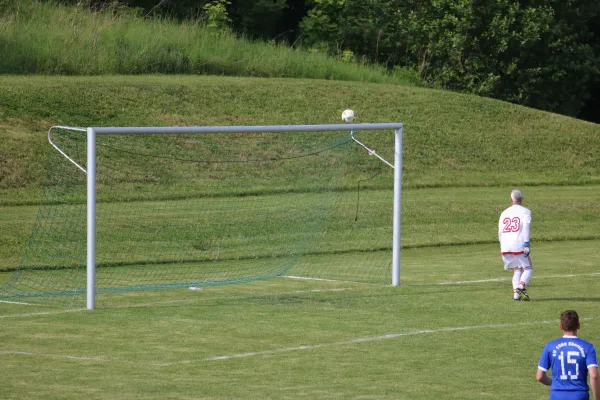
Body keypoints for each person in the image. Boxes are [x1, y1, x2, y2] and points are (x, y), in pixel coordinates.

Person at [537, 310, 600, 400]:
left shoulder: (550, 346)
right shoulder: (588, 347)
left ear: (561, 326)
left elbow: (539, 376)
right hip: (579, 396)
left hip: (557, 396)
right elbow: (594, 375)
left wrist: (555, 383)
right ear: (578, 325)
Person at [498, 188, 532, 301]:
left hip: (505, 246)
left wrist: (502, 245)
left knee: (517, 269)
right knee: (528, 268)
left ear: (510, 199)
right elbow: (526, 227)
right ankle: (521, 287)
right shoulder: (525, 211)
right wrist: (526, 244)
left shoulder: (504, 213)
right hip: (519, 245)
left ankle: (516, 295)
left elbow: (500, 231)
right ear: (522, 199)